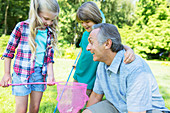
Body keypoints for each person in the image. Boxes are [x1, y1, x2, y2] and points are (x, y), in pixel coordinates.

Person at [83, 23, 170, 113]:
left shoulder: (134, 68)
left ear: (107, 44)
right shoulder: (102, 65)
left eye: (91, 42)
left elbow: (137, 111)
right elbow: (96, 96)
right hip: (118, 107)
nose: (87, 48)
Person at [0, 0, 60, 112]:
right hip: (21, 73)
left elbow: (49, 57)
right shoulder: (22, 27)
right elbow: (8, 52)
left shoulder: (49, 32)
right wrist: (7, 74)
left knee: (35, 108)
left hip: (39, 74)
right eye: (46, 18)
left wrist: (50, 75)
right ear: (36, 12)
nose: (49, 23)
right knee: (21, 109)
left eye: (52, 20)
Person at [74, 1, 135, 97]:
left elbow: (117, 45)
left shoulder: (103, 33)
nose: (84, 25)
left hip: (91, 73)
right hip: (80, 70)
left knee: (88, 97)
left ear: (95, 18)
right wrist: (76, 63)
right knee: (75, 99)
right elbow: (82, 50)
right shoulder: (85, 34)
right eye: (81, 22)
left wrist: (129, 50)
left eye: (87, 21)